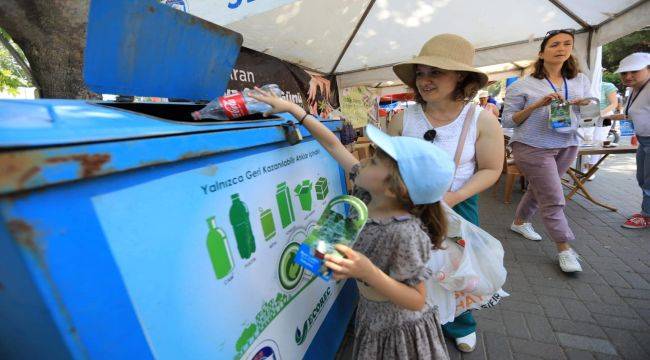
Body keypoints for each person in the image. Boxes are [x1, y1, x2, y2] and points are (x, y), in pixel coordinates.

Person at [251, 87, 454, 359]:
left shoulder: (405, 232)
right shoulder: (367, 194)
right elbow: (333, 144)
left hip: (399, 330)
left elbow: (416, 300)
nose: (362, 161)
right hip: (370, 315)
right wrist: (294, 110)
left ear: (395, 189)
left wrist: (367, 272)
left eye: (374, 161)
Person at [388, 33, 504, 353]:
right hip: (408, 208)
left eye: (435, 72)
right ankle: (418, 321)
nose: (425, 80)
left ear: (461, 77)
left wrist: (452, 197)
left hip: (458, 205)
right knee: (412, 268)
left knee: (459, 270)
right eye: (421, 73)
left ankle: (461, 324)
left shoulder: (481, 119)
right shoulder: (402, 118)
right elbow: (387, 164)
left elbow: (491, 169)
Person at [502, 29, 594, 272]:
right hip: (532, 146)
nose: (561, 48)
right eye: (554, 44)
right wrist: (536, 105)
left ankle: (520, 222)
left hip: (568, 142)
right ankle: (565, 249)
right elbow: (509, 121)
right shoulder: (522, 85)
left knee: (538, 189)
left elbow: (591, 113)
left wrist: (585, 104)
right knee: (553, 197)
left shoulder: (580, 81)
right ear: (542, 53)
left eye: (567, 44)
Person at [607, 53, 650, 229]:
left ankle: (646, 215)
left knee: (648, 180)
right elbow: (632, 114)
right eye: (624, 73)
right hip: (643, 140)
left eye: (634, 71)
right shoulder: (636, 88)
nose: (628, 76)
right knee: (643, 178)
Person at [578, 80, 619, 179]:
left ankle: (591, 169)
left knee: (598, 142)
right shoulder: (582, 84)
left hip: (604, 117)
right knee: (584, 141)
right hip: (587, 117)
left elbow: (614, 104)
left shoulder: (607, 85)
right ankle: (583, 166)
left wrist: (600, 113)